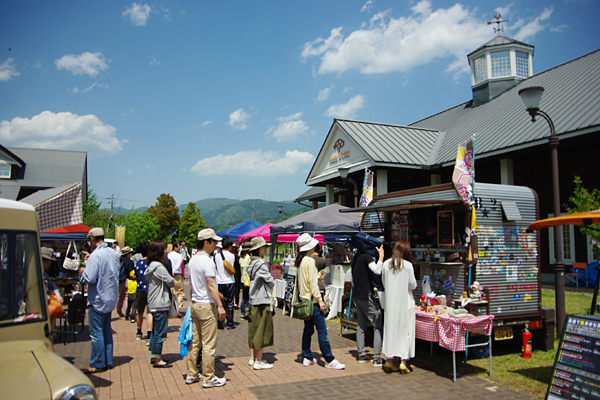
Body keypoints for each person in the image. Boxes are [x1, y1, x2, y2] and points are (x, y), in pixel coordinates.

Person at [296, 233, 345, 370]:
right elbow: (312, 284)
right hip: (313, 301)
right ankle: (329, 359)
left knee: (308, 330)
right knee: (322, 330)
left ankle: (307, 356)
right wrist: (320, 299)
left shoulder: (300, 261)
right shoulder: (310, 261)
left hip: (304, 300)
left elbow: (305, 281)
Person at [186, 228, 227, 388]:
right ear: (206, 243)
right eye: (214, 241)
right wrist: (220, 305)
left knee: (195, 342)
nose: (216, 245)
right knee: (209, 343)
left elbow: (191, 284)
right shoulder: (208, 261)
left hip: (195, 303)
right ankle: (208, 377)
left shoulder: (193, 260)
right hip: (206, 305)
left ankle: (191, 374)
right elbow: (211, 285)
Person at [79, 227, 119, 374]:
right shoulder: (113, 253)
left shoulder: (95, 256)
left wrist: (83, 270)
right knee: (106, 330)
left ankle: (97, 362)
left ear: (91, 239)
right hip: (110, 297)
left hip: (97, 298)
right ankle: (108, 360)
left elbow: (90, 278)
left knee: (96, 333)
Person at [381, 240, 417, 374]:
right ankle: (403, 362)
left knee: (390, 330)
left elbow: (384, 283)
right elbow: (412, 285)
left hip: (390, 303)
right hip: (405, 303)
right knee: (405, 331)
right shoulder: (408, 266)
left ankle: (389, 360)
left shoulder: (386, 264)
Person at [351, 237, 385, 366]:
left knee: (361, 325)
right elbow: (377, 271)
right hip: (366, 295)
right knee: (378, 324)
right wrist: (381, 256)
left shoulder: (354, 258)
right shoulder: (367, 257)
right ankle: (376, 358)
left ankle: (361, 354)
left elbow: (353, 279)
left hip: (356, 295)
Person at [144, 239, 174, 368]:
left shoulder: (150, 266)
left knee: (155, 331)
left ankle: (153, 355)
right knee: (160, 332)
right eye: (164, 249)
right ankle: (157, 358)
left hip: (153, 301)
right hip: (160, 302)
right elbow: (171, 281)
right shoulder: (159, 267)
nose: (166, 251)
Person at [246, 236, 275, 370]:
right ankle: (259, 360)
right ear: (258, 249)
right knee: (261, 329)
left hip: (252, 298)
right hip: (261, 299)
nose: (265, 249)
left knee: (253, 328)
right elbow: (270, 281)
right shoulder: (261, 264)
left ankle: (252, 358)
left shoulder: (251, 263)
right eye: (264, 247)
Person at [215, 236, 236, 329]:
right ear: (230, 246)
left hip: (219, 281)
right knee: (230, 302)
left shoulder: (216, 256)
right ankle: (230, 322)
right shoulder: (232, 256)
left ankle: (220, 322)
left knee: (220, 302)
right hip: (230, 281)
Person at [134, 242, 152, 344]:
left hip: (140, 290)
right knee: (149, 313)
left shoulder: (138, 263)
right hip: (150, 290)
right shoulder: (150, 262)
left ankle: (139, 332)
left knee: (139, 312)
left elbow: (136, 275)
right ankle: (149, 335)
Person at [117, 246, 134, 318]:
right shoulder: (130, 262)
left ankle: (119, 311)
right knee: (127, 297)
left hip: (120, 281)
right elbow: (131, 272)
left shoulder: (120, 261)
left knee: (121, 297)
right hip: (128, 281)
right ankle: (127, 312)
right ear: (128, 254)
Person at [168, 242, 184, 316]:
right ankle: (178, 309)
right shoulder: (179, 256)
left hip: (169, 275)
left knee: (173, 292)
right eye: (178, 247)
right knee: (180, 292)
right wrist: (174, 271)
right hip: (177, 275)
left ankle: (172, 309)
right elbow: (178, 265)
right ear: (175, 247)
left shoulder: (168, 255)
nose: (179, 248)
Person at [239, 240, 252, 319]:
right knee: (250, 297)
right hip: (248, 280)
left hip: (242, 279)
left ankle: (242, 313)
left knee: (244, 297)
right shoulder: (248, 258)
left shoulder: (241, 257)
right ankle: (249, 313)